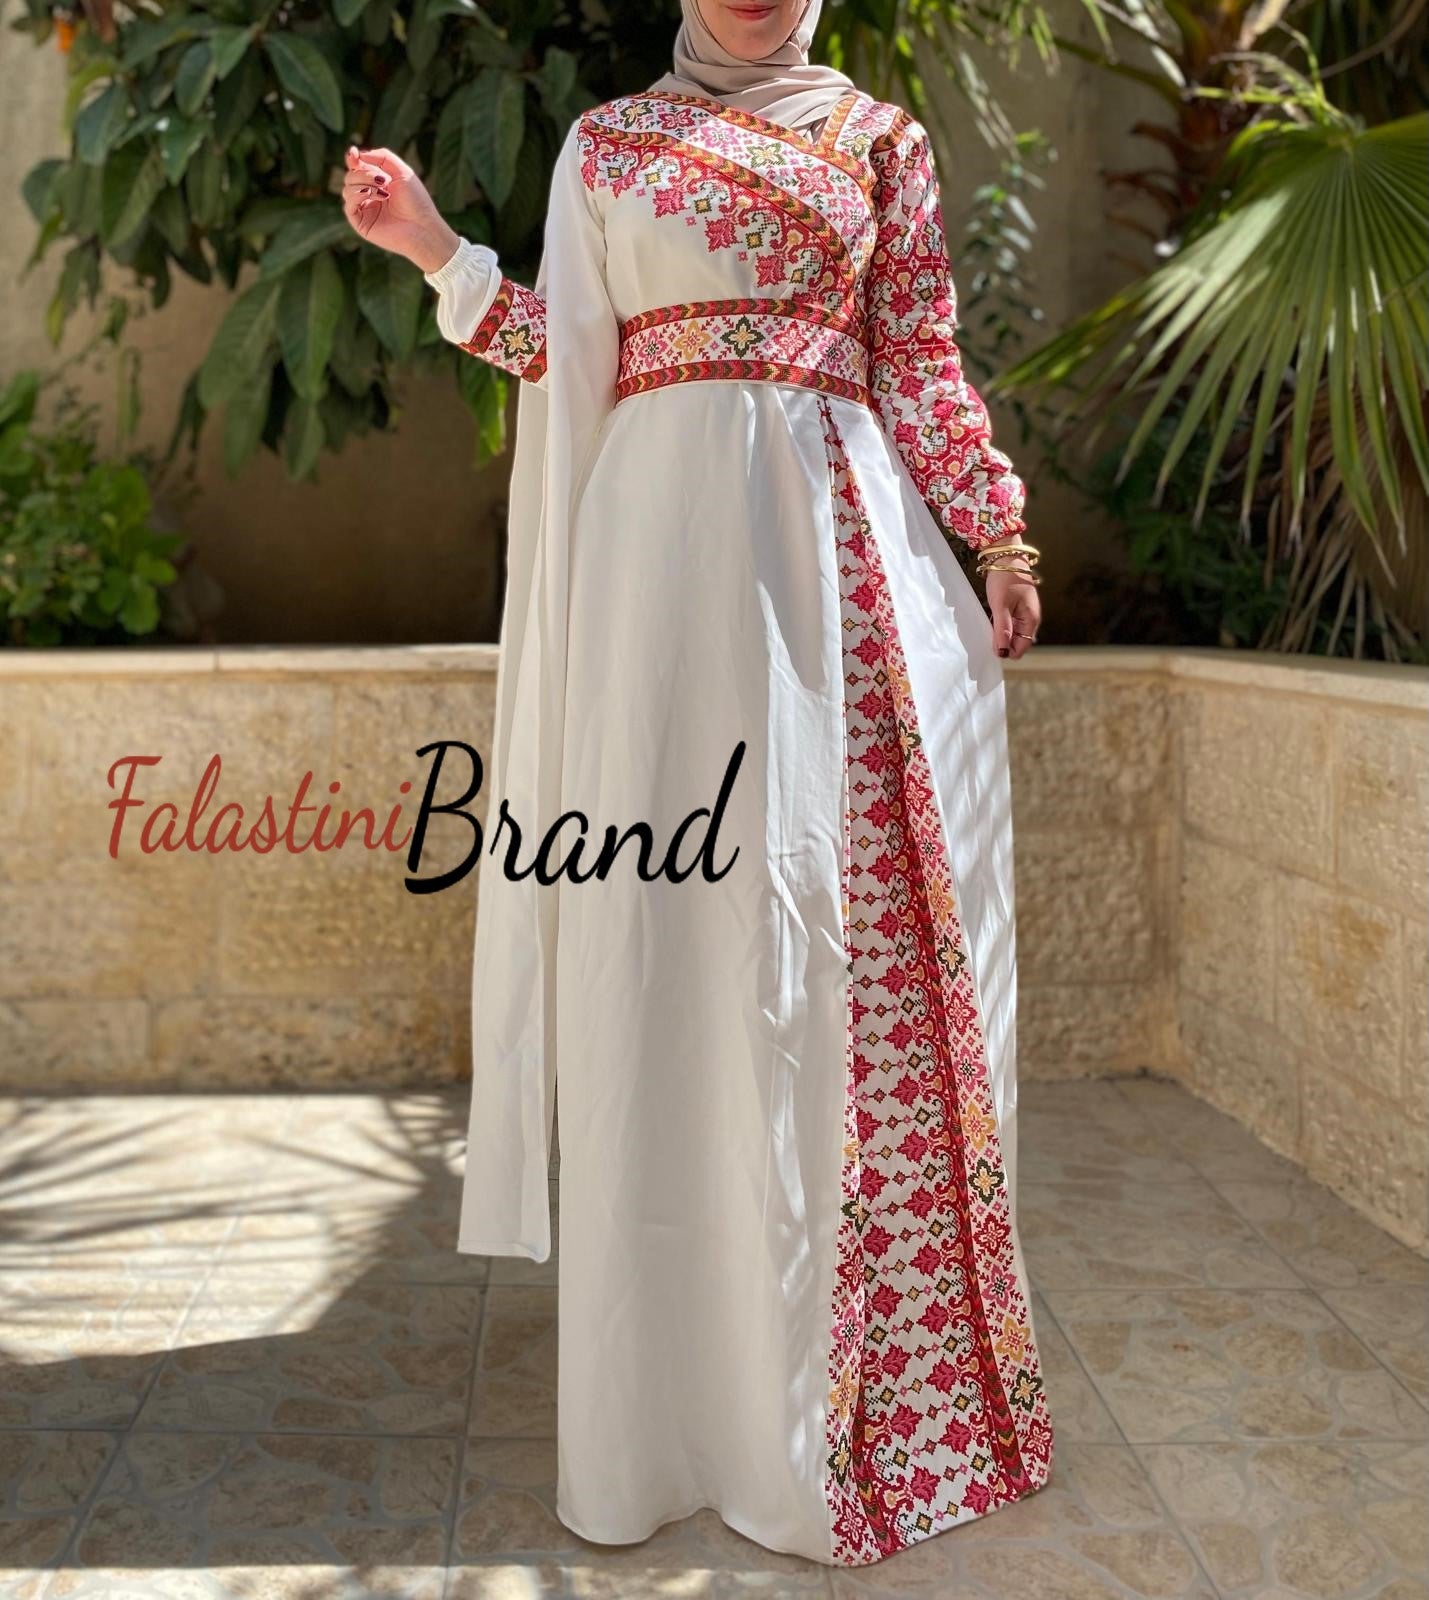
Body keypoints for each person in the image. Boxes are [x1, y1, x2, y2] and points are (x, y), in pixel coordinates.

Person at [341, 0, 1054, 1567]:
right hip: (656, 598)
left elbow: (918, 358)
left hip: (837, 587)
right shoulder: (609, 145)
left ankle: (832, 1406)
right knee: (660, 970)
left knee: (826, 973)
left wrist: (994, 529)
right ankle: (659, 1426)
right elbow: (569, 357)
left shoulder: (874, 140)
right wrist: (435, 250)